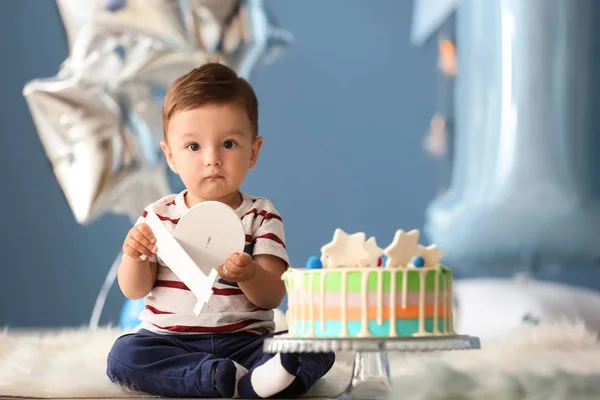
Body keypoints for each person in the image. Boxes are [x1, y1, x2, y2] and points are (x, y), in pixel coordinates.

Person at [106, 62, 335, 399]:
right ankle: (215, 378)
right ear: (170, 156)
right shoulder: (158, 215)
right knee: (123, 357)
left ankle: (257, 378)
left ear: (253, 152)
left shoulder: (260, 214)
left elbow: (272, 295)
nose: (212, 159)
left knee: (318, 344)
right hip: (172, 342)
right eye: (194, 147)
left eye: (228, 144)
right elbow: (135, 289)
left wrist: (250, 273)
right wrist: (135, 255)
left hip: (247, 342)